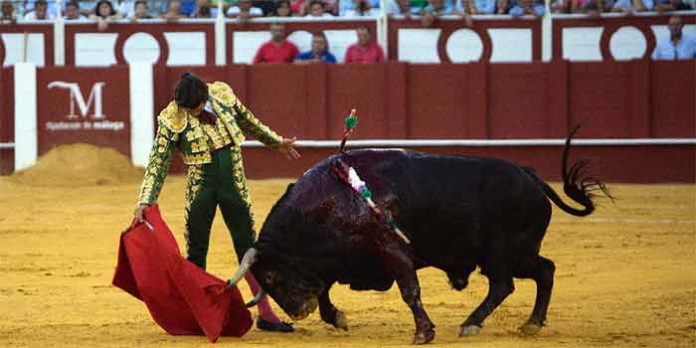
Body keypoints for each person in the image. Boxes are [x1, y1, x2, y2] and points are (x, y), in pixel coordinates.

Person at [134, 73, 300, 332]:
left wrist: (275, 142)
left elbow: (249, 121)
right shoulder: (172, 116)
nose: (193, 113)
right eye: (188, 109)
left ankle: (266, 314)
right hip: (200, 184)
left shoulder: (221, 94)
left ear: (204, 97)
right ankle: (197, 314)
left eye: (196, 108)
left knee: (248, 246)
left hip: (233, 180)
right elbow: (159, 160)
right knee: (197, 250)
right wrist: (146, 199)